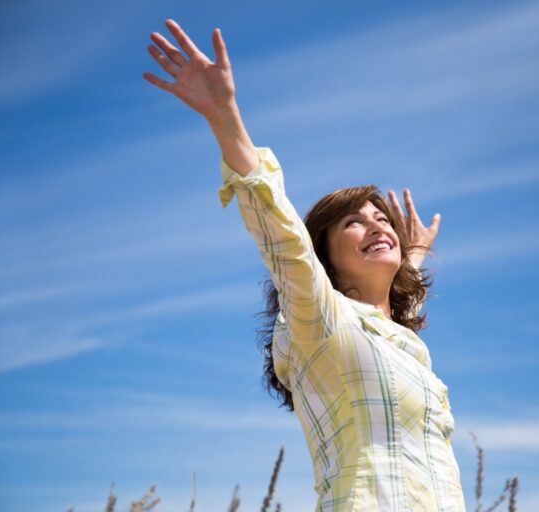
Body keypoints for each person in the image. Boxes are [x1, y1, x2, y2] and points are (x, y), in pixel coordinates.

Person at [143, 19, 466, 511]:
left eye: (383, 219)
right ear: (326, 256)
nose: (379, 226)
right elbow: (287, 245)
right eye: (354, 223)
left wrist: (415, 252)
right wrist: (226, 118)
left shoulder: (402, 344)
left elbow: (398, 306)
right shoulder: (322, 323)